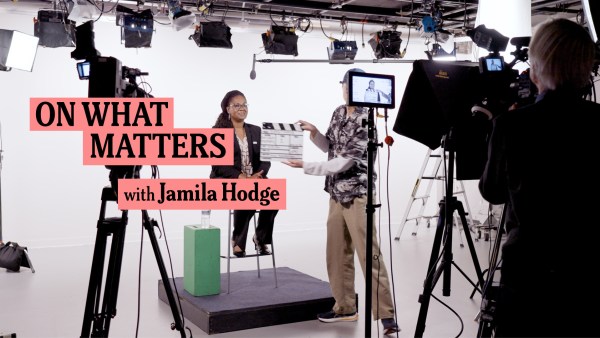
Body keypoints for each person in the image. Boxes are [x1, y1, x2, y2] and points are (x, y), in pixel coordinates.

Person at [478, 18, 600, 337]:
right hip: (588, 271)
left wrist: (496, 135)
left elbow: (492, 192)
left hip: (529, 274)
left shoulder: (511, 125)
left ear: (537, 65)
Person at [283, 68, 400, 335]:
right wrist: (314, 132)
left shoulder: (365, 118)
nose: (346, 89)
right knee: (336, 253)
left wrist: (306, 166)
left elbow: (344, 161)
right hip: (336, 193)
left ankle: (386, 315)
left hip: (358, 194)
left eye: (351, 86)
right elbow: (330, 147)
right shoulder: (338, 112)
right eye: (345, 85)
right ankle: (345, 307)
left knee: (368, 253)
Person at [210, 90, 278, 258]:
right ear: (228, 109)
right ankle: (238, 240)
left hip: (254, 176)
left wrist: (257, 175)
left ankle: (260, 238)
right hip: (226, 179)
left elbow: (265, 159)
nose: (242, 108)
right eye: (237, 105)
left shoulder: (256, 130)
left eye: (245, 104)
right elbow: (219, 165)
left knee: (274, 193)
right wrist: (244, 178)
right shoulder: (217, 132)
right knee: (245, 191)